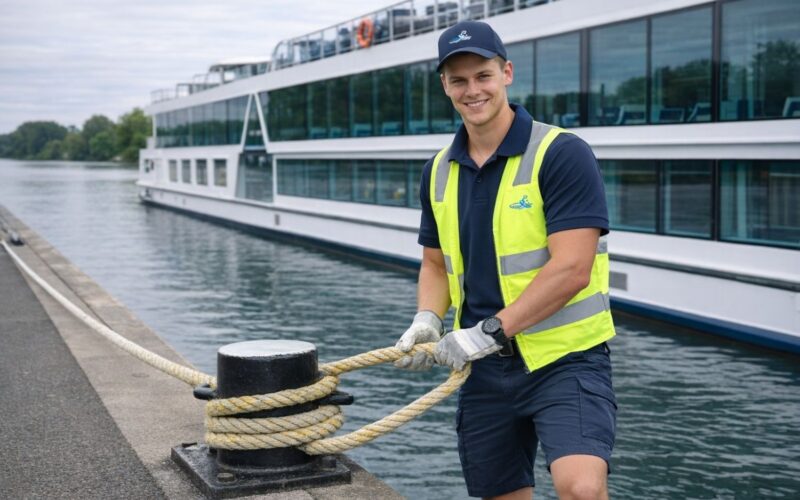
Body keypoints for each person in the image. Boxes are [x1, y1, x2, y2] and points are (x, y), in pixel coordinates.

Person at [394, 20, 618, 500]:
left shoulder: (560, 154)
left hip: (564, 358)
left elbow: (573, 269)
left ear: (507, 73)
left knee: (580, 488)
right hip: (482, 370)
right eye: (459, 80)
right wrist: (427, 318)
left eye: (483, 75)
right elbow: (435, 264)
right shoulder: (436, 170)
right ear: (445, 87)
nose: (472, 90)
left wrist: (486, 333)